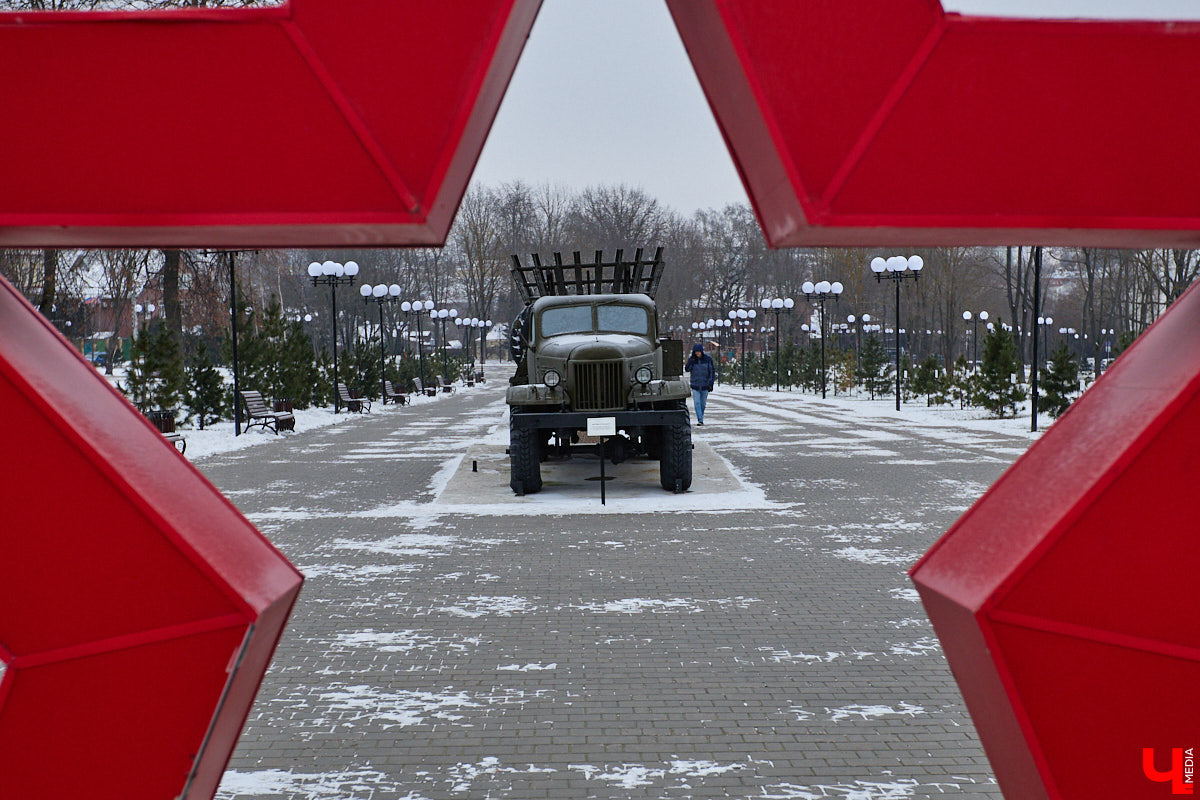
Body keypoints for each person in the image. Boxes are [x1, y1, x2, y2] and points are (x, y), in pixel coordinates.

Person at [685, 342, 716, 425]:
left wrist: (711, 383)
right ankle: (700, 419)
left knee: (703, 404)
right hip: (695, 385)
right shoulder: (692, 360)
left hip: (705, 385)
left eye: (698, 351)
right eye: (696, 352)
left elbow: (712, 372)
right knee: (697, 403)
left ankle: (700, 417)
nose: (697, 353)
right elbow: (687, 369)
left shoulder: (708, 360)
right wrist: (691, 361)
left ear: (701, 351)